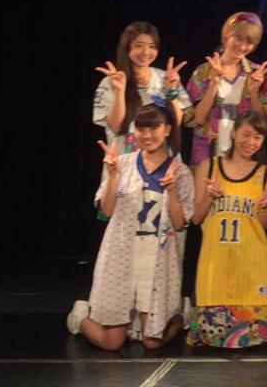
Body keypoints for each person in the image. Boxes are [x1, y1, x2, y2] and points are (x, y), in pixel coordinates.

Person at [67, 104, 194, 350]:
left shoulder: (180, 172)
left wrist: (171, 191)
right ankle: (80, 316)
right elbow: (107, 210)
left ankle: (182, 313)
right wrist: (113, 175)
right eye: (141, 129)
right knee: (112, 342)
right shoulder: (122, 163)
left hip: (157, 256)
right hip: (123, 252)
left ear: (167, 130)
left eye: (154, 128)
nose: (147, 135)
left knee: (152, 341)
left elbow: (180, 224)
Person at [187, 111, 267, 348]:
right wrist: (209, 196)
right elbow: (196, 218)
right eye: (246, 134)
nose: (251, 142)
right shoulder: (209, 167)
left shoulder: (264, 174)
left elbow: (263, 225)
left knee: (252, 344)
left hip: (251, 264)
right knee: (213, 343)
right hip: (215, 263)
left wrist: (265, 208)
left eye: (257, 137)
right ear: (234, 133)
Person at [185, 12, 267, 167]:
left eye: (249, 42)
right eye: (238, 38)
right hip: (207, 153)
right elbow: (197, 119)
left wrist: (253, 90)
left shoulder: (257, 74)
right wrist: (213, 85)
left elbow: (261, 122)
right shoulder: (203, 72)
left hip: (244, 154)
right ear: (226, 35)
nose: (243, 46)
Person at [93, 21, 190, 156]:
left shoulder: (167, 78)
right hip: (124, 162)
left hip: (162, 162)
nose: (146, 52)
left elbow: (175, 124)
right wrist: (120, 91)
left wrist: (171, 91)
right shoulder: (110, 82)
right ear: (127, 47)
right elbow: (115, 127)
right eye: (139, 46)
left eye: (152, 46)